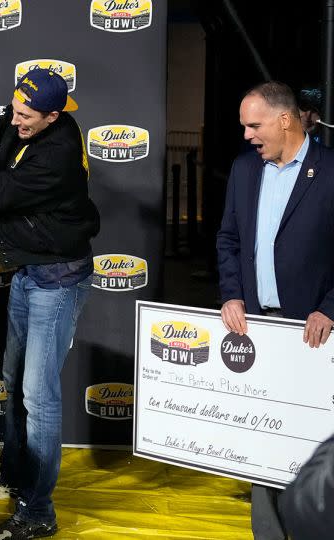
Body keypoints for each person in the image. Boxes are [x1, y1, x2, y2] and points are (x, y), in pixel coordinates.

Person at [0, 68, 99, 539]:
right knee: (12, 380)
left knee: (39, 397)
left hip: (57, 279)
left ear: (54, 116)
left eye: (26, 115)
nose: (15, 121)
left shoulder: (57, 154)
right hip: (28, 273)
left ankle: (38, 511)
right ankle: (15, 476)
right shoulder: (29, 120)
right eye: (15, 109)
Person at [216, 81, 334, 539]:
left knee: (314, 445)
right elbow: (228, 239)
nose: (247, 134)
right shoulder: (245, 169)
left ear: (285, 120)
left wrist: (329, 308)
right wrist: (231, 294)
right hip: (257, 330)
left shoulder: (330, 170)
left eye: (254, 124)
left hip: (315, 335)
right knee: (262, 447)